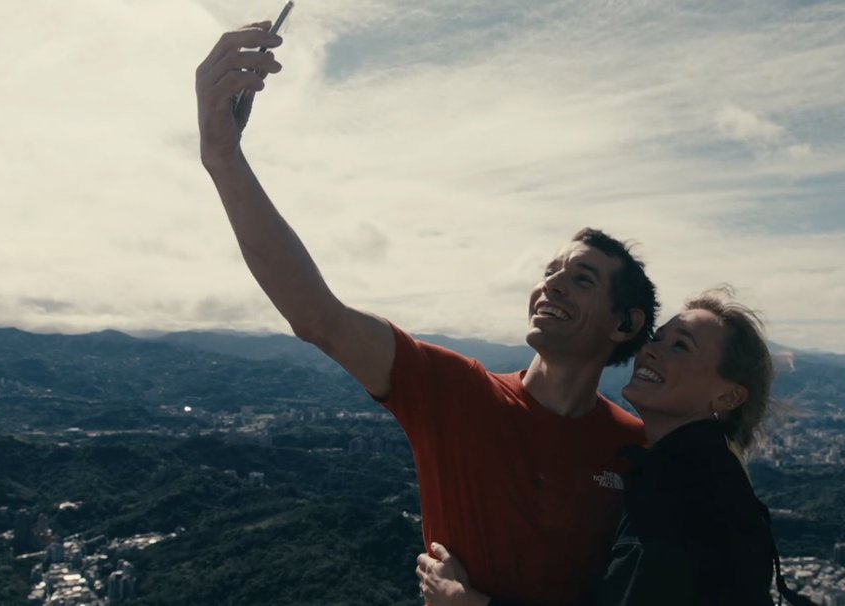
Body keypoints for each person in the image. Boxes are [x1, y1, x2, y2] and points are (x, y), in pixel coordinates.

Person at [194, 22, 661, 605]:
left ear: (625, 323)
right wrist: (223, 157)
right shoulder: (455, 393)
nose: (551, 286)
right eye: (550, 271)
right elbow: (318, 316)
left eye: (582, 279)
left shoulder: (642, 451)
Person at [416, 287, 813, 606]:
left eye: (681, 346)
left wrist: (465, 601)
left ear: (728, 397)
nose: (651, 349)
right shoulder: (711, 472)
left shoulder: (679, 491)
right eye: (659, 338)